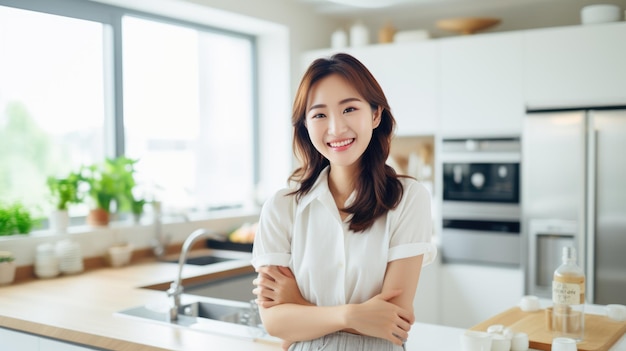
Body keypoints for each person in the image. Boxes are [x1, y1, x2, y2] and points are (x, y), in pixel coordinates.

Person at [251, 53, 437, 351]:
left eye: (349, 109)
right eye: (319, 114)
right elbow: (274, 323)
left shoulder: (407, 198)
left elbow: (395, 321)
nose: (336, 128)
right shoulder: (280, 207)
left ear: (376, 114)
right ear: (305, 125)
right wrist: (352, 315)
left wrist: (298, 306)